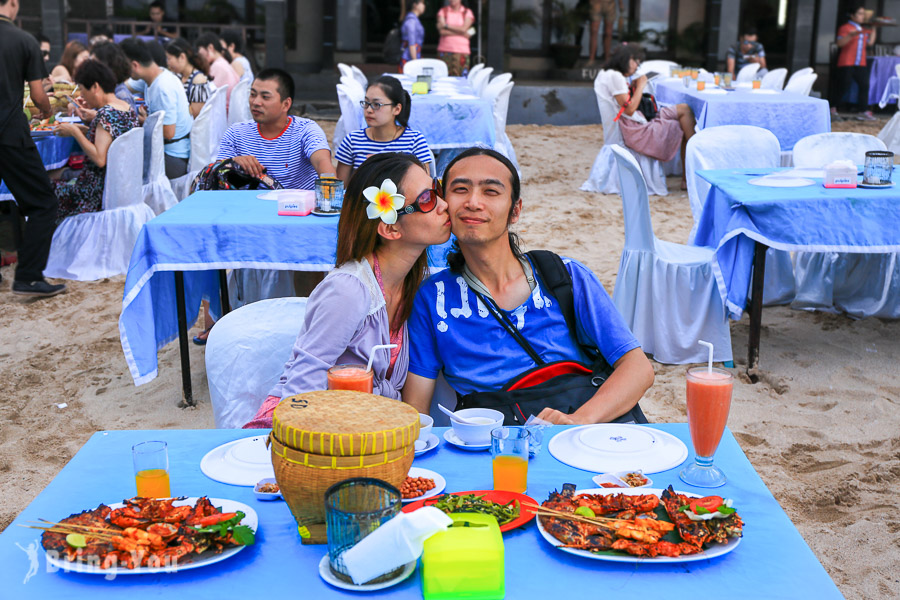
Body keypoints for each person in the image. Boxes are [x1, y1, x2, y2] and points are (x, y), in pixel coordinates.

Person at [402, 147, 654, 424]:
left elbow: (637, 368)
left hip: (581, 429)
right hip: (493, 439)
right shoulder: (432, 298)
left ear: (515, 210)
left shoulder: (566, 276)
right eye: (460, 189)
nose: (473, 202)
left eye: (491, 191)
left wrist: (579, 420)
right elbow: (417, 408)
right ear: (444, 203)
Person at [243, 152, 452, 428]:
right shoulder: (348, 290)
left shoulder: (412, 287)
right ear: (390, 228)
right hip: (309, 435)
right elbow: (302, 385)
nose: (444, 204)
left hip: (364, 432)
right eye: (427, 199)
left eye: (436, 189)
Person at [0, 0, 66, 296]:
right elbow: (39, 95)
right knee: (43, 203)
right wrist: (47, 110)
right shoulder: (24, 40)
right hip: (9, 134)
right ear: (12, 3)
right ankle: (27, 276)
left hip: (9, 132)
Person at [52, 60, 140, 222]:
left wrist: (74, 132)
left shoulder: (105, 114)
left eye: (83, 91)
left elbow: (100, 159)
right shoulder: (126, 108)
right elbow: (111, 140)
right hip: (118, 187)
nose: (82, 96)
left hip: (94, 193)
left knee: (45, 189)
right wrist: (87, 129)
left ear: (95, 87)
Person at [217, 68, 333, 190]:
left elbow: (322, 162)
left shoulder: (305, 130)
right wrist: (234, 162)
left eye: (265, 97)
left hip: (297, 206)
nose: (256, 102)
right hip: (248, 206)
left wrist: (329, 192)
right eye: (252, 94)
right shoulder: (235, 133)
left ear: (286, 104)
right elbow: (217, 175)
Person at [600, 44, 695, 189]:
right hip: (636, 128)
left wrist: (634, 84)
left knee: (685, 109)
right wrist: (641, 86)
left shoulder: (615, 75)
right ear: (625, 60)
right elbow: (630, 109)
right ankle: (689, 176)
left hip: (640, 117)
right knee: (683, 123)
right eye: (635, 61)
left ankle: (689, 173)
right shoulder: (615, 77)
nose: (637, 65)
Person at [335, 76, 432, 184]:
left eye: (377, 104)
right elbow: (340, 189)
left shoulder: (414, 140)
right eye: (366, 103)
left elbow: (425, 187)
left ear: (396, 109)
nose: (369, 110)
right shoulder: (353, 140)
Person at [120, 38, 192, 178]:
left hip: (173, 157)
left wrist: (146, 121)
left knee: (122, 164)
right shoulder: (156, 74)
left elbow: (168, 132)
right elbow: (124, 86)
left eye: (124, 66)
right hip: (170, 149)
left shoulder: (162, 87)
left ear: (135, 65)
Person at [836, 4, 877, 121]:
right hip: (847, 61)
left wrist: (873, 29)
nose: (862, 16)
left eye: (863, 14)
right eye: (860, 14)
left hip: (860, 62)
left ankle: (863, 110)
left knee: (864, 85)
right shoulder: (846, 28)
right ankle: (833, 108)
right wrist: (850, 35)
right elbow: (840, 44)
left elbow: (870, 43)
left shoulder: (863, 29)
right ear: (852, 16)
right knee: (843, 85)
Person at [166, 38, 216, 118]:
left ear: (182, 57)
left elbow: (196, 115)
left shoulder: (198, 80)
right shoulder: (179, 76)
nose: (168, 63)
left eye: (169, 58)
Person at [89, 41, 137, 113]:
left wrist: (94, 117)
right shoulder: (106, 90)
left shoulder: (121, 96)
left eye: (95, 65)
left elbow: (117, 123)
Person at [195, 32, 239, 107]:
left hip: (222, 112)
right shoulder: (223, 63)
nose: (199, 54)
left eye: (200, 50)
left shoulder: (217, 67)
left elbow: (208, 97)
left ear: (210, 48)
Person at [436, 0, 474, 77]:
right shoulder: (443, 11)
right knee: (443, 78)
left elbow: (464, 29)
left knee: (462, 78)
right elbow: (442, 32)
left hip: (462, 51)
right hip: (444, 50)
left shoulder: (467, 12)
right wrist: (462, 33)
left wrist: (446, 26)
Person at [586, 0, 624, 67]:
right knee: (594, 31)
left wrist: (620, 4)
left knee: (608, 33)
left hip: (609, 4)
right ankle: (591, 59)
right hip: (596, 3)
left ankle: (607, 59)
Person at [401, 0, 426, 65]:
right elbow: (412, 44)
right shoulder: (411, 21)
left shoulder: (413, 20)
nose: (424, 6)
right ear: (415, 5)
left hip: (412, 57)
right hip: (408, 59)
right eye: (422, 3)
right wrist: (415, 63)